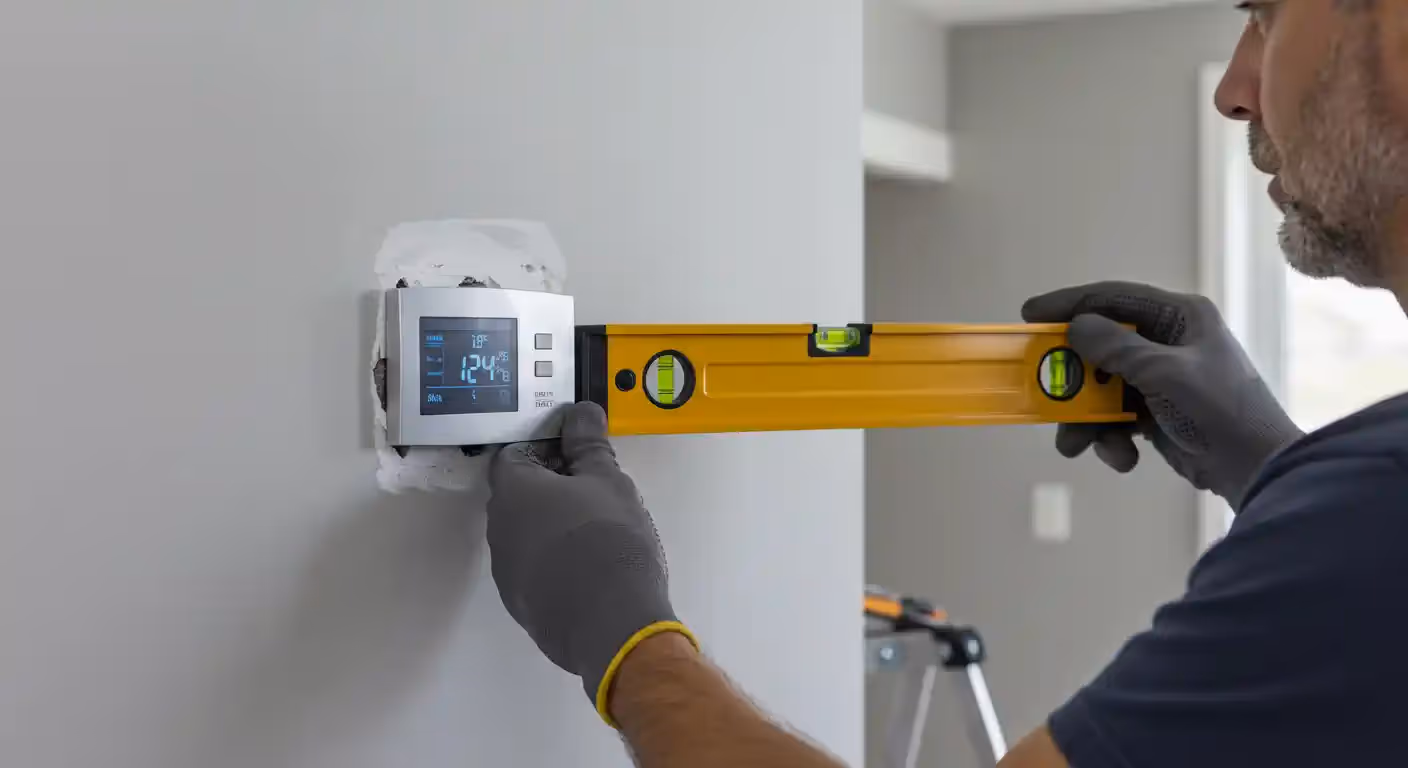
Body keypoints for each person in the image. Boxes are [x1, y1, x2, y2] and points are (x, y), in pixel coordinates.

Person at [484, 4, 1408, 766]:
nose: (1233, 89)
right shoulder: (1369, 521)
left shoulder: (1374, 515)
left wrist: (631, 649)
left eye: (1269, 14)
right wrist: (1274, 469)